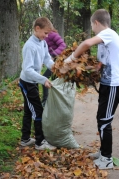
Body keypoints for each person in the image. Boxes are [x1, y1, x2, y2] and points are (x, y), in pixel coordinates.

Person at [64, 9, 119, 169]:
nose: (92, 29)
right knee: (100, 118)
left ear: (96, 23)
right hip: (106, 84)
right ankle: (103, 152)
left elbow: (86, 43)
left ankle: (107, 159)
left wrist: (71, 59)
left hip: (114, 85)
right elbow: (100, 65)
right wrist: (85, 69)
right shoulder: (104, 42)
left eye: (91, 25)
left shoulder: (109, 33)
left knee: (104, 121)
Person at [19, 17, 56, 150]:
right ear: (37, 29)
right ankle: (40, 142)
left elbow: (47, 59)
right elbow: (27, 69)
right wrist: (44, 80)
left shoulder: (42, 42)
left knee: (29, 110)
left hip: (33, 82)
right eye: (45, 33)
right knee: (38, 111)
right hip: (27, 83)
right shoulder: (30, 46)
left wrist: (56, 68)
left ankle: (25, 139)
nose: (46, 36)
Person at [42, 29, 66, 106]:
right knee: (52, 80)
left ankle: (46, 101)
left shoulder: (52, 34)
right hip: (51, 61)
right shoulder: (42, 37)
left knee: (46, 78)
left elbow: (63, 45)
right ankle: (51, 101)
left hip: (58, 60)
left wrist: (53, 55)